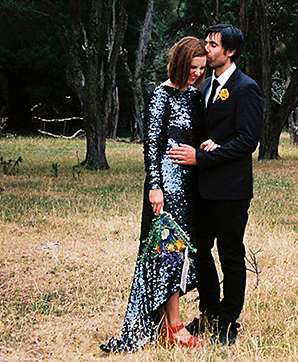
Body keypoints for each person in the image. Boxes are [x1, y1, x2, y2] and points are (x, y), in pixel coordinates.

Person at [102, 37, 208, 353]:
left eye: (201, 69)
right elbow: (151, 146)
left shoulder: (194, 96)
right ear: (179, 64)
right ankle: (174, 327)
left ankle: (167, 325)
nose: (197, 74)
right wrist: (155, 187)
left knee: (181, 254)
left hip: (191, 187)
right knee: (168, 254)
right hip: (167, 189)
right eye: (192, 68)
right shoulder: (161, 95)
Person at [169, 23, 263, 345]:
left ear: (230, 51)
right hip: (202, 188)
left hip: (231, 190)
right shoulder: (205, 86)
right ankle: (209, 312)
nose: (206, 49)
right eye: (207, 43)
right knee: (200, 252)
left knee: (231, 254)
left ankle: (228, 322)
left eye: (213, 45)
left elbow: (247, 141)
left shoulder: (245, 88)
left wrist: (207, 155)